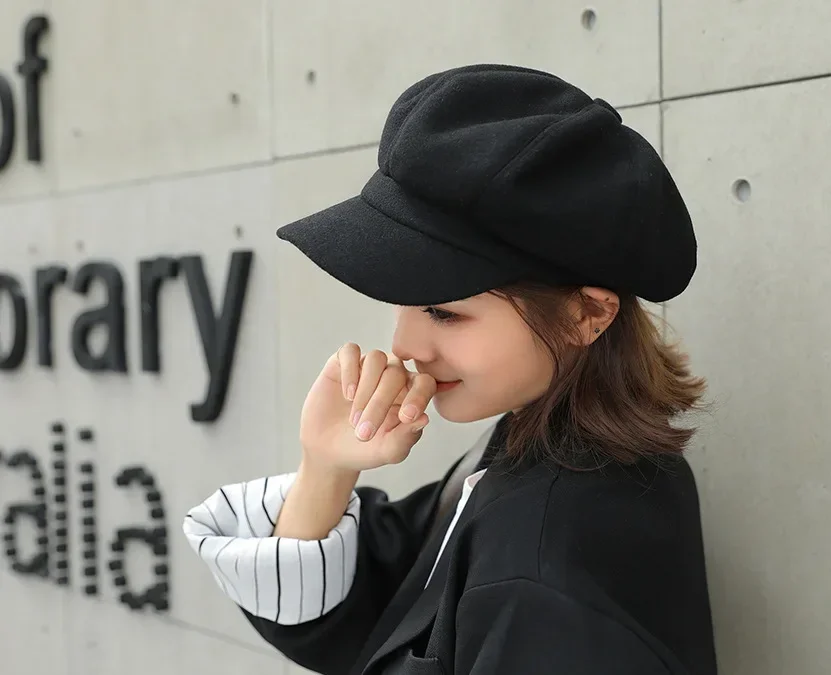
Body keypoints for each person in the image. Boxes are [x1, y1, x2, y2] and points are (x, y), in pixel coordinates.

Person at [182, 63, 719, 675]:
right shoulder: (548, 456)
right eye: (404, 301)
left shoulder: (544, 573)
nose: (406, 345)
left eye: (443, 311)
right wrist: (326, 466)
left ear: (586, 315)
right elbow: (377, 616)